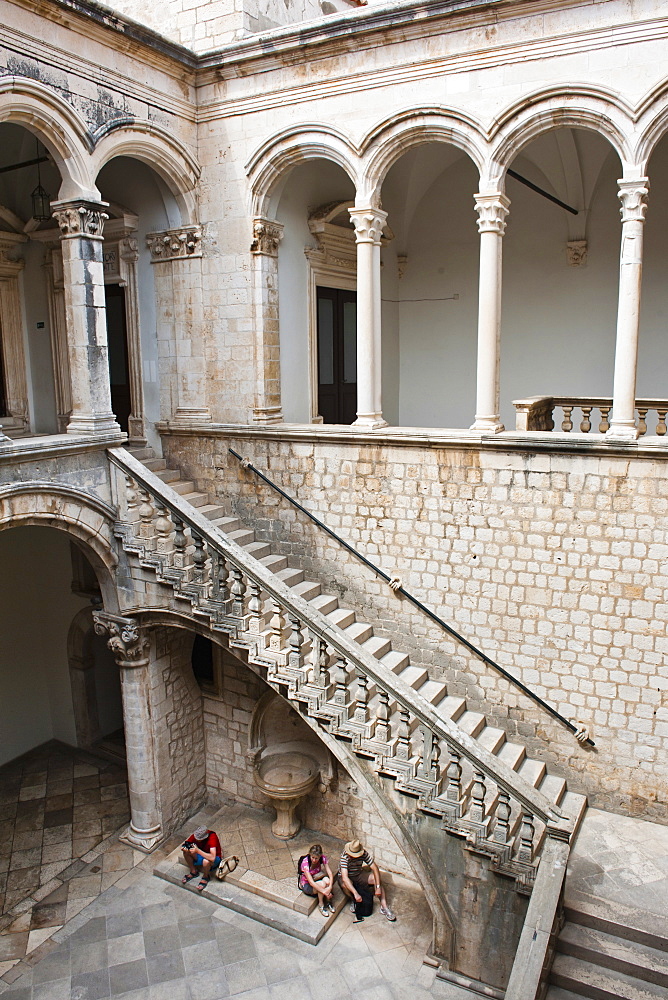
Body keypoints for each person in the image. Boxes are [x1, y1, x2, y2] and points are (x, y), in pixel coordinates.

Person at [337, 839, 396, 922]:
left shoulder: (363, 853)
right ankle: (353, 901)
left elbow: (375, 868)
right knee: (344, 884)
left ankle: (384, 907)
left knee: (376, 879)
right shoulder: (344, 856)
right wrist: (355, 894)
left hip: (358, 874)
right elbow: (345, 878)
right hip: (348, 877)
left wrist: (378, 887)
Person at [181, 825, 223, 891]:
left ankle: (206, 877)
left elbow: (212, 858)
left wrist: (198, 851)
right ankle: (193, 871)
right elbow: (187, 843)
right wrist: (185, 848)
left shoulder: (212, 837)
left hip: (213, 858)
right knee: (186, 853)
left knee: (206, 861)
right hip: (202, 854)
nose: (197, 840)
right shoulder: (195, 835)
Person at [298, 844, 335, 916]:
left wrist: (330, 886)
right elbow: (311, 882)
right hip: (307, 884)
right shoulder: (305, 863)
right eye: (313, 857)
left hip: (316, 877)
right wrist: (325, 892)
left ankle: (328, 901)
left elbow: (330, 873)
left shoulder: (323, 858)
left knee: (327, 880)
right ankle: (321, 904)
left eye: (316, 858)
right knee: (322, 884)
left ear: (320, 856)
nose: (314, 860)